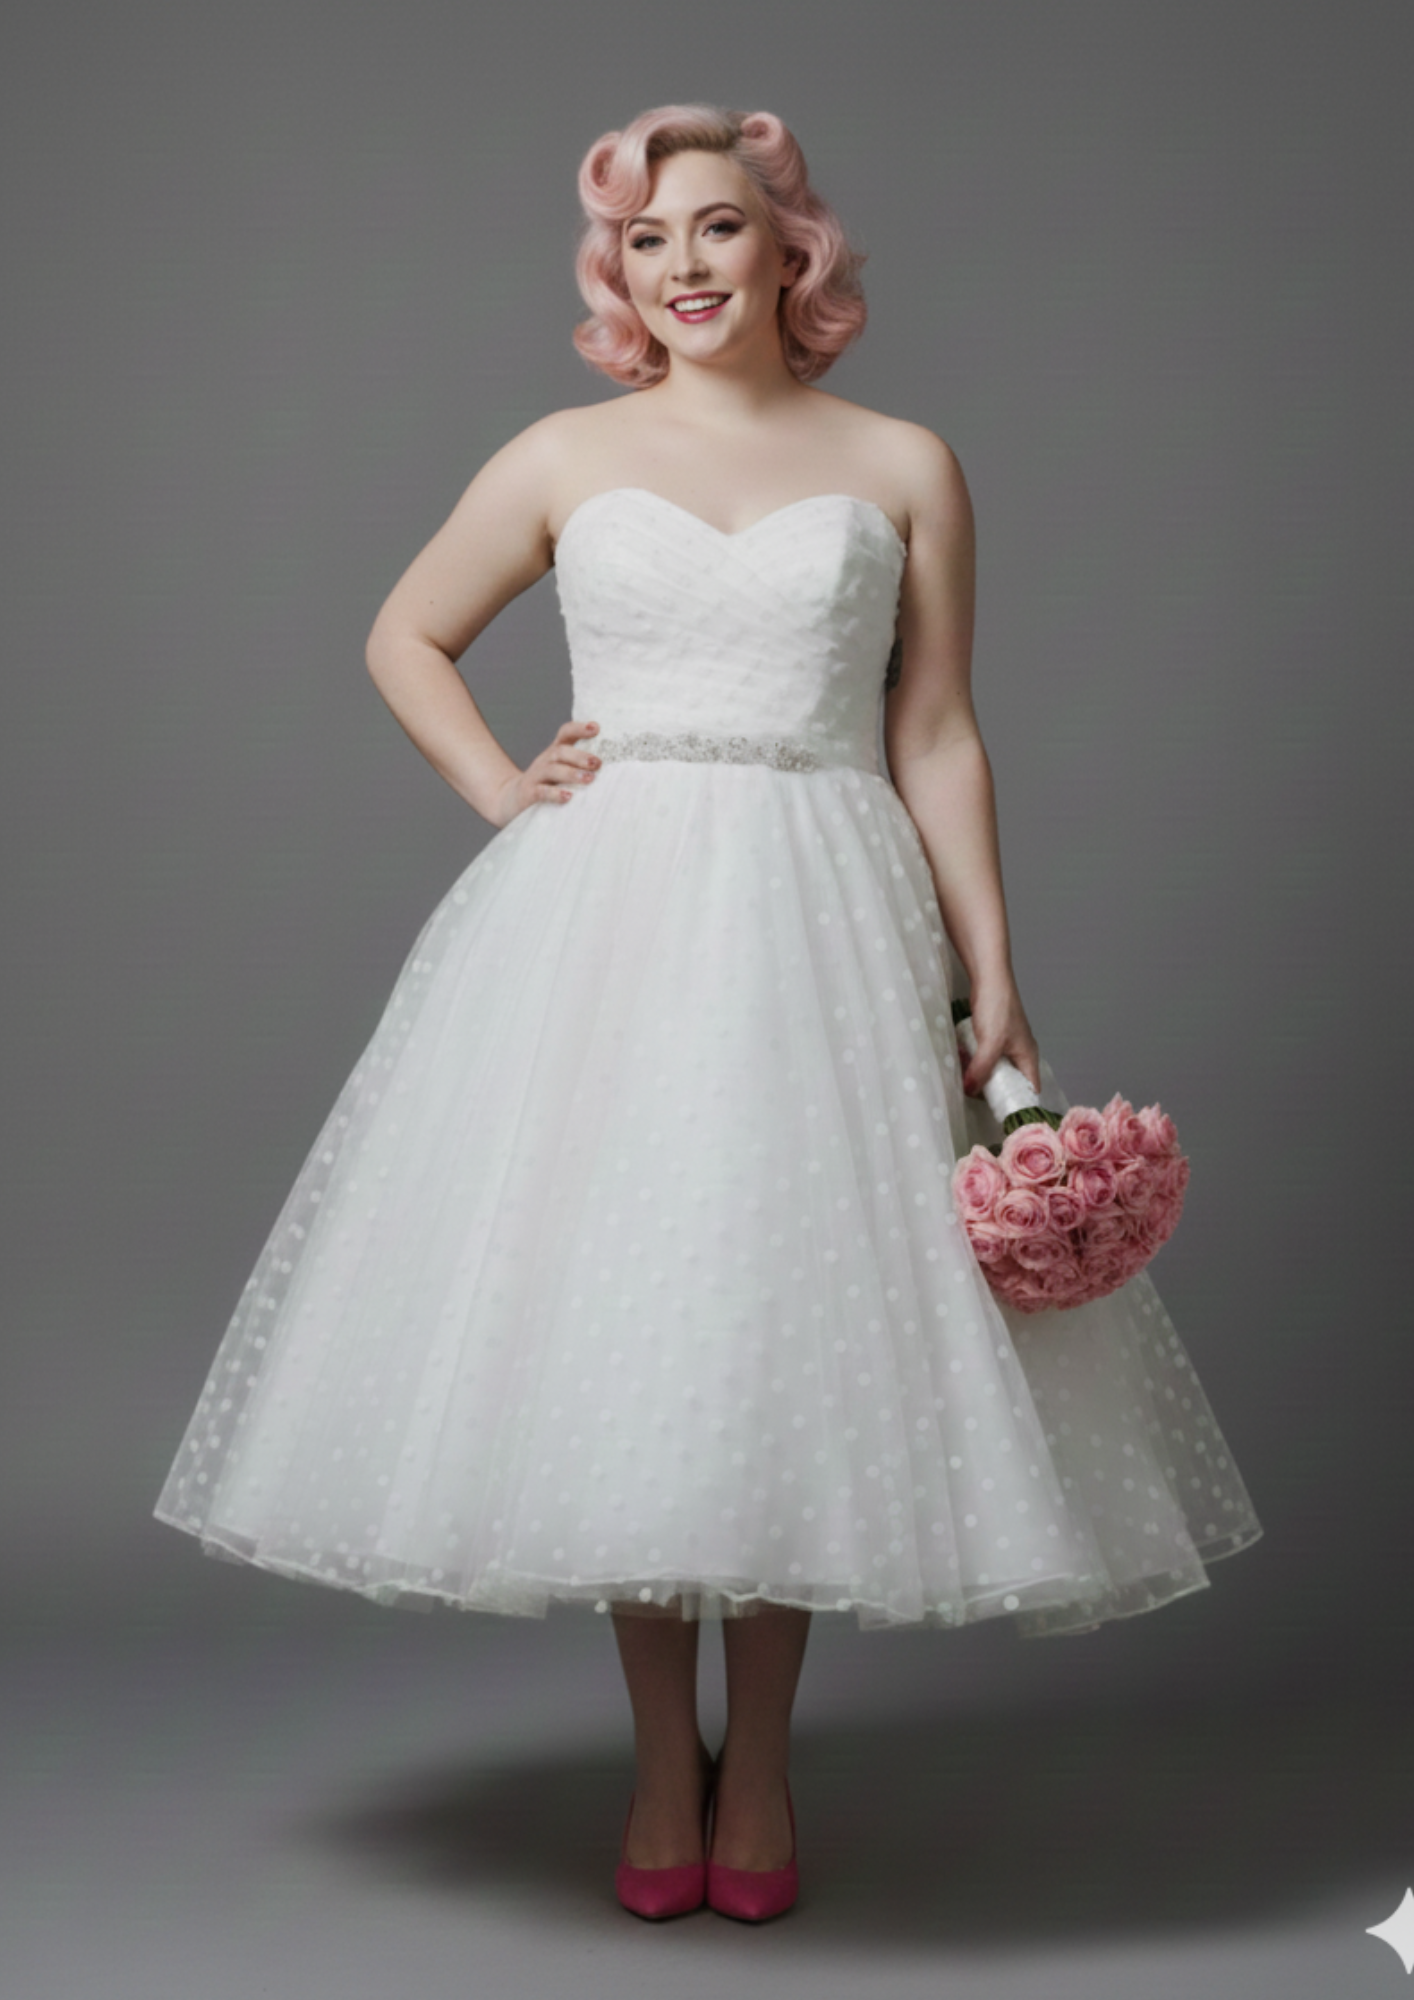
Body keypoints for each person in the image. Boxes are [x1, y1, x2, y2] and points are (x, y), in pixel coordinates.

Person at [153, 104, 1262, 1923]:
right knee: (631, 1324)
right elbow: (403, 634)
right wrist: (503, 787)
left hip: (826, 908)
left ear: (787, 250)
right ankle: (667, 1761)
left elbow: (933, 729)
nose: (683, 265)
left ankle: (763, 1768)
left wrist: (993, 962)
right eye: (648, 239)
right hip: (610, 918)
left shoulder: (901, 460)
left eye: (719, 228)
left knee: (784, 1323)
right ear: (618, 270)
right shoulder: (561, 454)